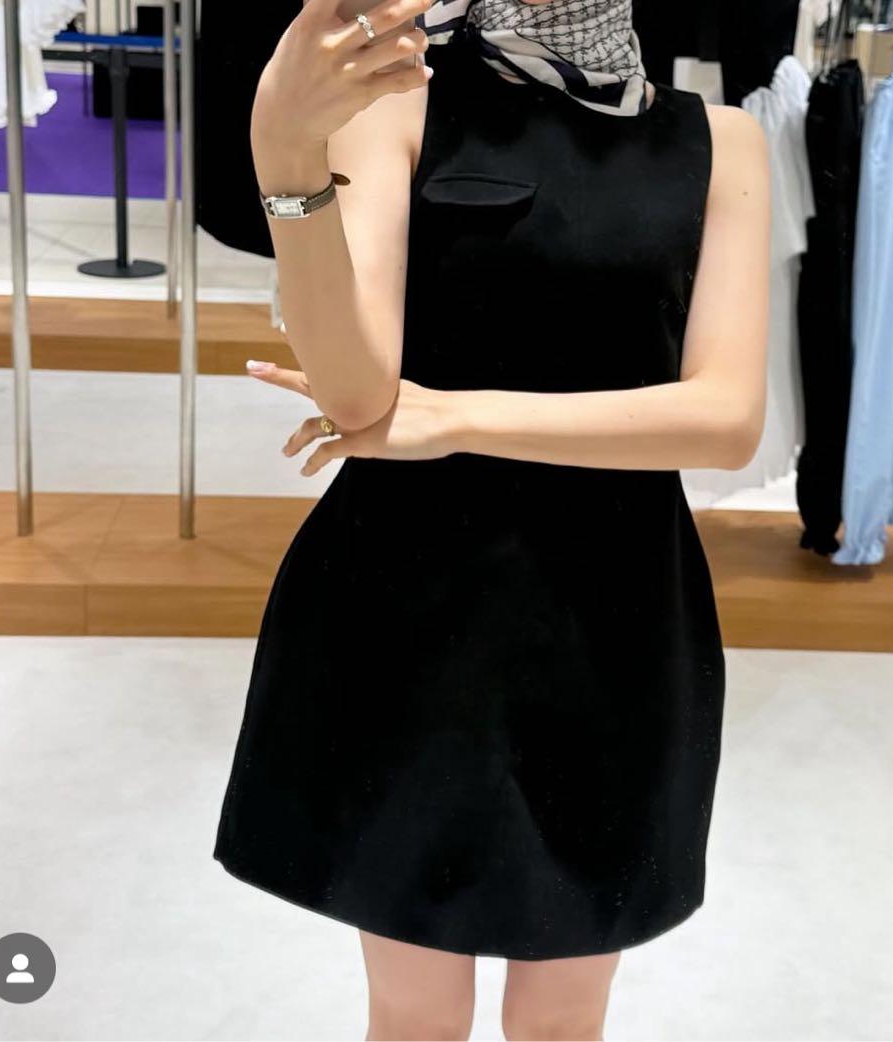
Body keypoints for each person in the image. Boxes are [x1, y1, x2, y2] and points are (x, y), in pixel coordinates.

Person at [213, 0, 770, 1038]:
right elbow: (357, 395)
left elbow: (727, 417)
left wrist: (456, 416)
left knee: (564, 1013)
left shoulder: (719, 141)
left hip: (615, 621)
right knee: (416, 1010)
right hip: (411, 608)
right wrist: (284, 151)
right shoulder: (404, 103)